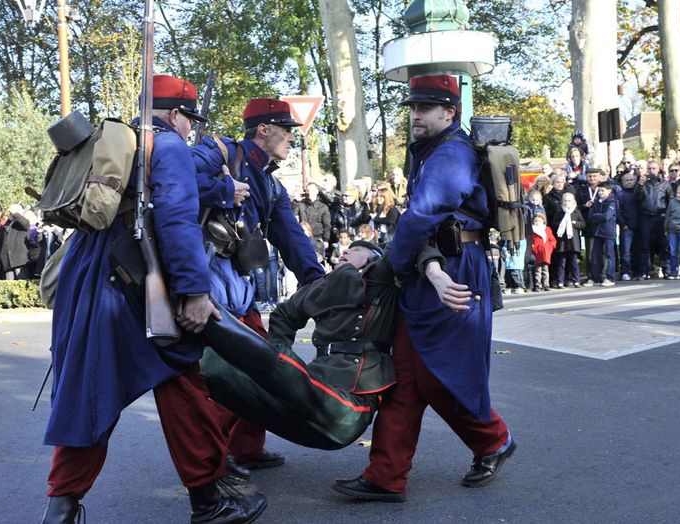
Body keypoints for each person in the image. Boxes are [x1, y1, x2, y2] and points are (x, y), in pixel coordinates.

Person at [39, 75, 266, 524]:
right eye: (190, 122)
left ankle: (63, 508)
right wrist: (196, 293)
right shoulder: (167, 147)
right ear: (176, 115)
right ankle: (207, 499)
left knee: (96, 390)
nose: (191, 132)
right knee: (178, 372)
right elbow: (178, 223)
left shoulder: (119, 143)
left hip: (89, 277)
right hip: (131, 283)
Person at [332, 74, 514, 503]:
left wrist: (396, 265)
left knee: (437, 375)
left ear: (448, 113)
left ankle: (493, 438)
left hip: (455, 269)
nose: (415, 115)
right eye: (412, 108)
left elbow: (421, 215)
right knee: (409, 378)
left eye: (424, 108)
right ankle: (386, 475)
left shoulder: (451, 152)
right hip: (437, 266)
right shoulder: (435, 149)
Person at [198, 240, 444, 450]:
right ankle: (195, 337)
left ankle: (204, 309)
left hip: (348, 404)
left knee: (272, 363)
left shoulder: (380, 278)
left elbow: (411, 241)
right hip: (313, 387)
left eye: (355, 249)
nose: (345, 252)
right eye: (345, 249)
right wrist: (281, 361)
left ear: (372, 258)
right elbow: (283, 315)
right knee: (223, 377)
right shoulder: (318, 287)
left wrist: (435, 271)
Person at [192, 97, 326, 472]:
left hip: (241, 290)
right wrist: (222, 190)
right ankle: (213, 463)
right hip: (210, 286)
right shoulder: (217, 152)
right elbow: (172, 181)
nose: (291, 139)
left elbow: (290, 235)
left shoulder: (269, 181)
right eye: (286, 131)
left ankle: (246, 448)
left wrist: (316, 280)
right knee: (221, 380)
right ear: (264, 130)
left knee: (264, 367)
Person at [636, 160, 672, 280]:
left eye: (654, 168)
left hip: (661, 216)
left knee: (664, 244)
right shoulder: (642, 183)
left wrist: (668, 217)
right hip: (646, 217)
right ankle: (644, 271)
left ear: (659, 169)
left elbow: (670, 201)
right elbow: (636, 199)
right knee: (645, 245)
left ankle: (667, 270)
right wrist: (640, 185)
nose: (652, 171)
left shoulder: (665, 184)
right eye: (649, 168)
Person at [586, 182, 618, 286]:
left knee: (609, 255)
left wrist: (596, 216)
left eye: (602, 190)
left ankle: (610, 277)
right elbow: (590, 217)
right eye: (599, 190)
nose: (600, 192)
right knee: (595, 255)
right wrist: (597, 216)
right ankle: (596, 278)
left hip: (608, 232)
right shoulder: (597, 202)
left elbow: (606, 216)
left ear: (609, 191)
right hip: (597, 232)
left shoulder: (612, 202)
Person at [552, 192, 585, 288]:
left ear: (573, 202)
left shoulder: (576, 212)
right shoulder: (559, 212)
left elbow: (583, 224)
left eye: (569, 200)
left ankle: (576, 280)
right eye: (565, 200)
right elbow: (553, 223)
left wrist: (575, 223)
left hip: (573, 242)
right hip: (562, 242)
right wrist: (562, 223)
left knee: (574, 263)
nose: (567, 203)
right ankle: (560, 281)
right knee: (562, 263)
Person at [617, 172, 639, 281]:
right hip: (626, 226)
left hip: (639, 226)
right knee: (625, 251)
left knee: (638, 249)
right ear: (622, 182)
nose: (629, 182)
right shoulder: (620, 194)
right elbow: (618, 211)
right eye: (627, 180)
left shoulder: (638, 192)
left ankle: (636, 271)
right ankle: (625, 271)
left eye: (631, 180)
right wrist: (623, 224)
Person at [0, 204, 31, 280]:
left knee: (22, 281)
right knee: (9, 285)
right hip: (8, 261)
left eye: (11, 213)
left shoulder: (21, 224)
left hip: (19, 260)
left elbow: (26, 224)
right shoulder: (9, 224)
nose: (9, 215)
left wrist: (16, 214)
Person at [530, 212, 556, 292]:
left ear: (543, 221)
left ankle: (546, 285)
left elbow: (552, 240)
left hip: (546, 253)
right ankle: (538, 285)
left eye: (539, 221)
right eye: (536, 221)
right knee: (538, 271)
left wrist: (550, 247)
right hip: (537, 253)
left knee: (545, 270)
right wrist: (534, 248)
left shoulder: (547, 229)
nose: (537, 222)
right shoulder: (532, 230)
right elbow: (530, 242)